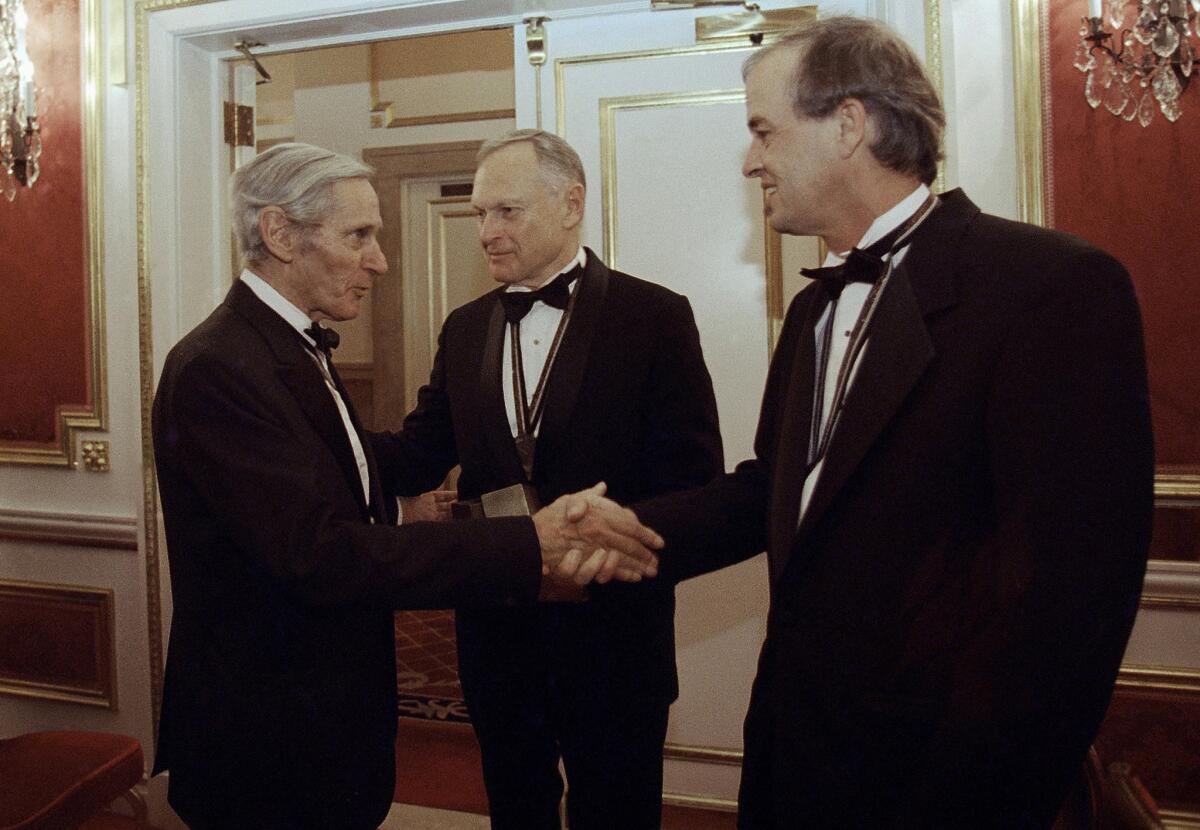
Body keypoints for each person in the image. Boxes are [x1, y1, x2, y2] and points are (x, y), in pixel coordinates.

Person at [631, 17, 1155, 828]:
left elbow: (1068, 601)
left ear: (848, 124)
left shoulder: (1050, 288)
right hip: (796, 758)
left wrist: (978, 795)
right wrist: (617, 531)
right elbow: (779, 493)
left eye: (763, 130)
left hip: (940, 784)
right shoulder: (812, 309)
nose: (750, 160)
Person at [150, 142, 663, 830]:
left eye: (505, 209)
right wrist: (523, 545)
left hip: (594, 649)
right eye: (359, 235)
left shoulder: (288, 347)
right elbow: (320, 555)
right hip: (270, 727)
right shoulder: (221, 368)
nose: (380, 260)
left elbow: (360, 465)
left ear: (571, 205)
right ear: (279, 234)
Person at [370, 129, 723, 829]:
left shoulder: (653, 316)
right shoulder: (466, 327)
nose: (487, 233)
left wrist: (606, 552)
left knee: (616, 811)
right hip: (497, 630)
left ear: (571, 203)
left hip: (615, 637)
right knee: (515, 807)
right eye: (479, 215)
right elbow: (417, 451)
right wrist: (315, 433)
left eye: (506, 211)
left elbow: (692, 480)